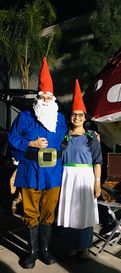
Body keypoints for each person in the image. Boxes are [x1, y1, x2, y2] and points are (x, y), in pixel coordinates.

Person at [8, 57, 67, 269]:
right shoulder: (25, 116)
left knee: (49, 211)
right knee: (31, 211)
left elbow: (69, 139)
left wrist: (91, 136)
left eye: (48, 96)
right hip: (31, 170)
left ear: (53, 98)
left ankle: (44, 250)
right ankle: (31, 252)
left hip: (53, 173)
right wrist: (30, 142)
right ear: (38, 96)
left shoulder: (60, 119)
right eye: (42, 95)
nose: (45, 98)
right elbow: (12, 138)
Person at [57, 79, 102, 260]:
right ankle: (72, 246)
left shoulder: (91, 137)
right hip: (67, 177)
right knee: (70, 211)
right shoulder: (64, 137)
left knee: (85, 212)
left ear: (85, 117)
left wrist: (97, 183)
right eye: (74, 115)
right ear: (71, 117)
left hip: (85, 177)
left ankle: (84, 247)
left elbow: (98, 161)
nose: (76, 118)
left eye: (80, 115)